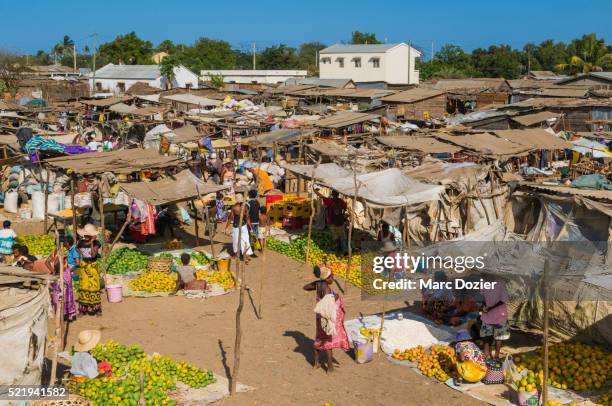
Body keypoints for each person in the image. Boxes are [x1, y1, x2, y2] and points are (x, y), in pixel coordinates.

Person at [303, 266, 349, 373]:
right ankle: (330, 368)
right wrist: (336, 296)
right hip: (326, 317)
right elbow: (329, 303)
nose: (332, 278)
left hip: (319, 317)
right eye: (331, 277)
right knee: (328, 342)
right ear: (326, 278)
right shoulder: (327, 289)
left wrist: (317, 282)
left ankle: (316, 363)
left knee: (319, 338)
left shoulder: (319, 284)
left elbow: (305, 287)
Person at [480, 276, 510, 360]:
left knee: (499, 336)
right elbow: (483, 297)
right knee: (486, 334)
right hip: (487, 314)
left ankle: (496, 355)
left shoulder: (500, 283)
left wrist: (490, 308)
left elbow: (503, 300)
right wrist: (483, 305)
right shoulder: (483, 281)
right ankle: (487, 353)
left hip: (499, 314)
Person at [76, 224, 102, 316]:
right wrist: (82, 255)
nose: (86, 236)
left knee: (94, 287)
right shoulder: (81, 242)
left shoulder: (96, 243)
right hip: (84, 267)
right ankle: (83, 310)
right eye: (85, 235)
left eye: (88, 235)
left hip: (92, 267)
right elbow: (77, 248)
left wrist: (92, 243)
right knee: (84, 287)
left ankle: (97, 310)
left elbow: (93, 255)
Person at [315, 189, 347, 255]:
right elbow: (345, 207)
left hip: (333, 222)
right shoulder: (341, 201)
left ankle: (337, 250)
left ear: (332, 195)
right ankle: (343, 250)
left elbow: (322, 196)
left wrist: (315, 191)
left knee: (336, 237)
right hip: (340, 222)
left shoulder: (330, 201)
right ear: (338, 195)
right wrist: (343, 214)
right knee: (342, 237)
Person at [224, 194, 253, 264]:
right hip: (244, 226)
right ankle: (246, 256)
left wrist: (226, 227)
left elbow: (231, 218)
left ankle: (237, 255)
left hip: (236, 226)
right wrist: (251, 228)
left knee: (236, 241)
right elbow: (248, 218)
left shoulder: (234, 207)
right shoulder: (245, 207)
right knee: (245, 240)